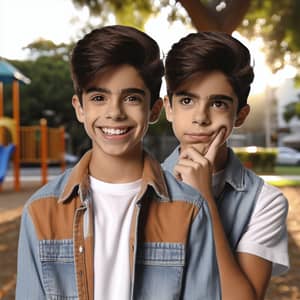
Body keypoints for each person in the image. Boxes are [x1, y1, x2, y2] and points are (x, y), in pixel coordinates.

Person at [15, 25, 221, 300]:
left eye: (132, 98)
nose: (114, 112)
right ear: (79, 108)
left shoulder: (190, 210)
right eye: (99, 98)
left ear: (154, 110)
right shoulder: (41, 212)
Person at [162, 31, 289, 300]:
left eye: (218, 103)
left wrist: (203, 198)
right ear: (168, 108)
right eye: (187, 101)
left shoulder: (265, 202)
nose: (200, 117)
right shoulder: (139, 184)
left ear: (240, 115)